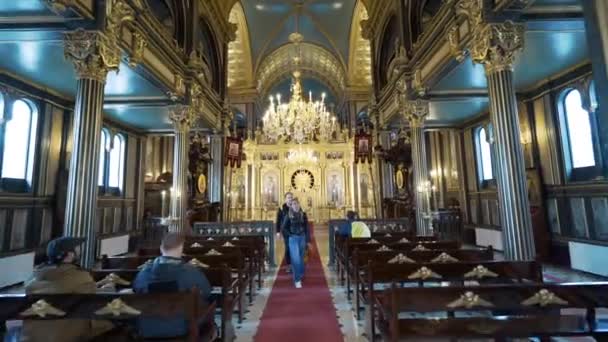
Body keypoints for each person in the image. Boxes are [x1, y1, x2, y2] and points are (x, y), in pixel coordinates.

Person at [22, 237, 113, 342]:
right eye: (77, 249)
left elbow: (62, 287)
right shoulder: (81, 277)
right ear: (69, 255)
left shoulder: (33, 279)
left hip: (34, 336)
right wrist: (109, 288)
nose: (79, 251)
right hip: (66, 335)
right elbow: (95, 298)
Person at [133, 233, 213, 339]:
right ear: (181, 248)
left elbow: (136, 290)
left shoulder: (144, 272)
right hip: (182, 328)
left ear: (161, 248)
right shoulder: (190, 272)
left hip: (148, 328)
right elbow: (207, 292)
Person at [281, 198, 311, 288]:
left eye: (297, 204)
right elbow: (283, 228)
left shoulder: (303, 214)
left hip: (302, 238)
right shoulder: (288, 215)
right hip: (293, 238)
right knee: (295, 259)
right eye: (293, 204)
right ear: (291, 206)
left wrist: (308, 240)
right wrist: (290, 235)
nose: (295, 205)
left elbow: (306, 228)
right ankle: (297, 279)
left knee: (301, 258)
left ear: (299, 205)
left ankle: (300, 274)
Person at [276, 192, 293, 272]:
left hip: (294, 231)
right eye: (288, 198)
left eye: (291, 197)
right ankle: (289, 265)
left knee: (294, 248)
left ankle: (294, 264)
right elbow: (278, 220)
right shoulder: (281, 208)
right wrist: (278, 232)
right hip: (286, 231)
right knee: (288, 248)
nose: (290, 199)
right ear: (285, 199)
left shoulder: (295, 206)